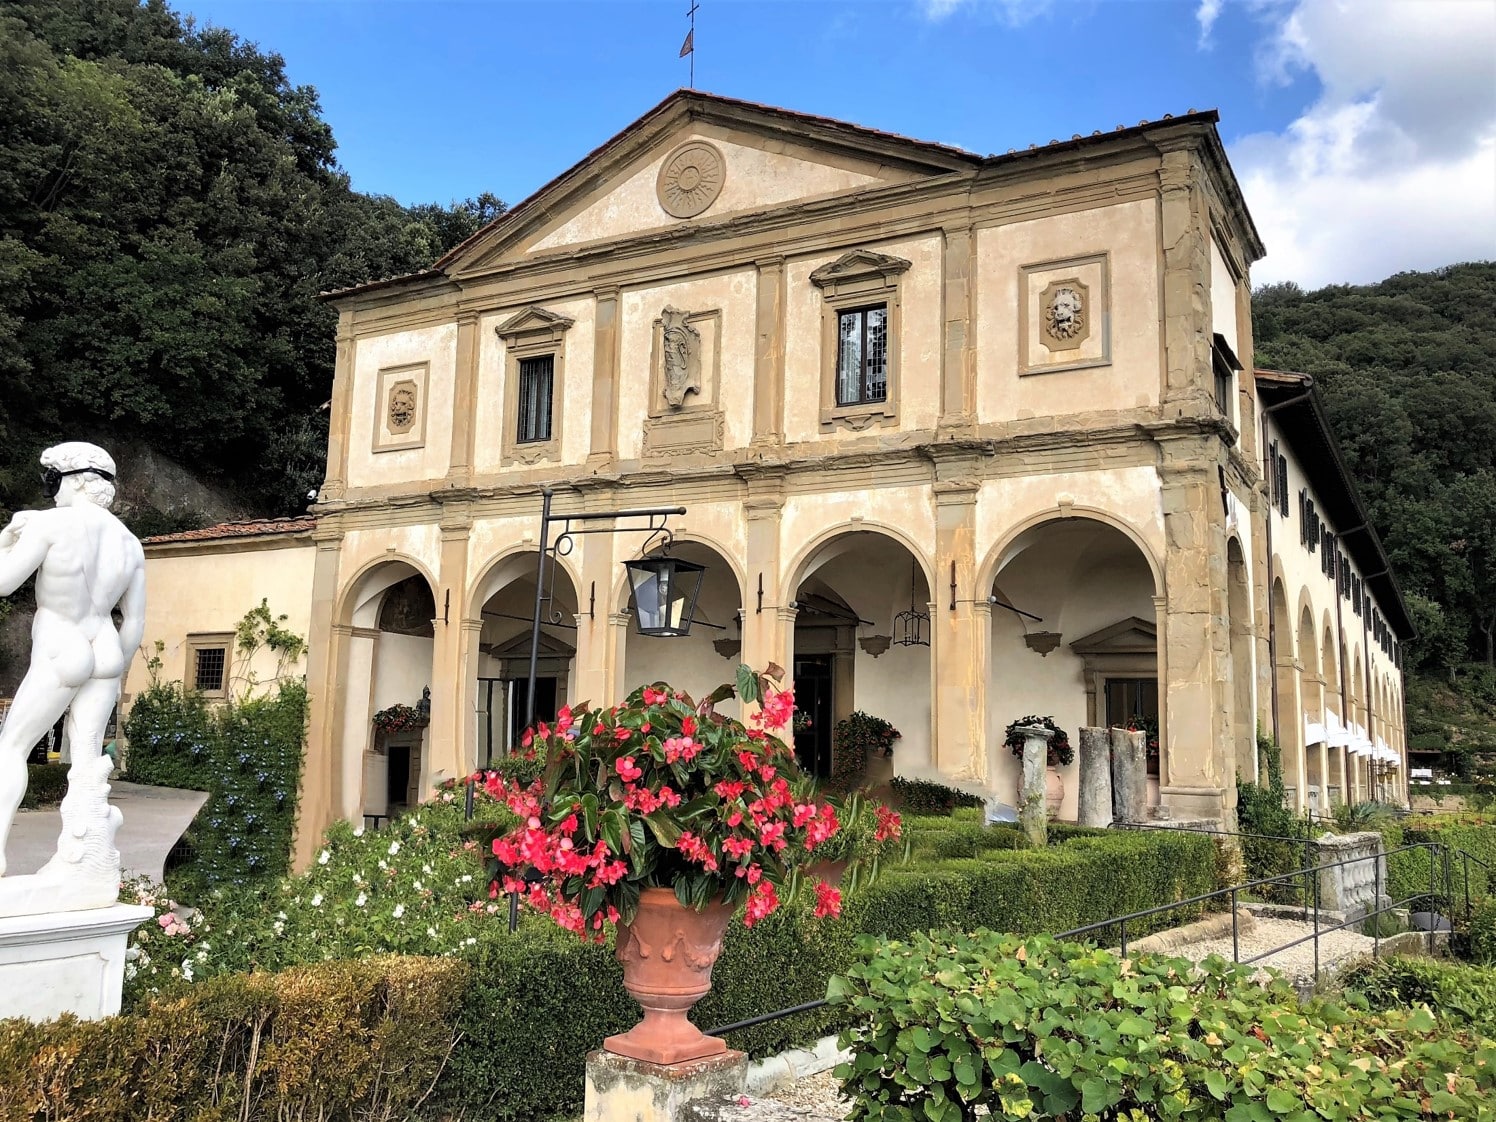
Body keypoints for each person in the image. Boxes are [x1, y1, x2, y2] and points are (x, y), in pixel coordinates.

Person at [0, 442, 145, 879]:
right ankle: (85, 866)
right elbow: (134, 622)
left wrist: (5, 539)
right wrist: (116, 666)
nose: (52, 490)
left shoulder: (51, 524)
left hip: (62, 642)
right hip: (105, 648)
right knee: (85, 764)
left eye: (55, 480)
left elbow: (5, 584)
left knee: (11, 748)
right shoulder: (129, 542)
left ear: (76, 481)